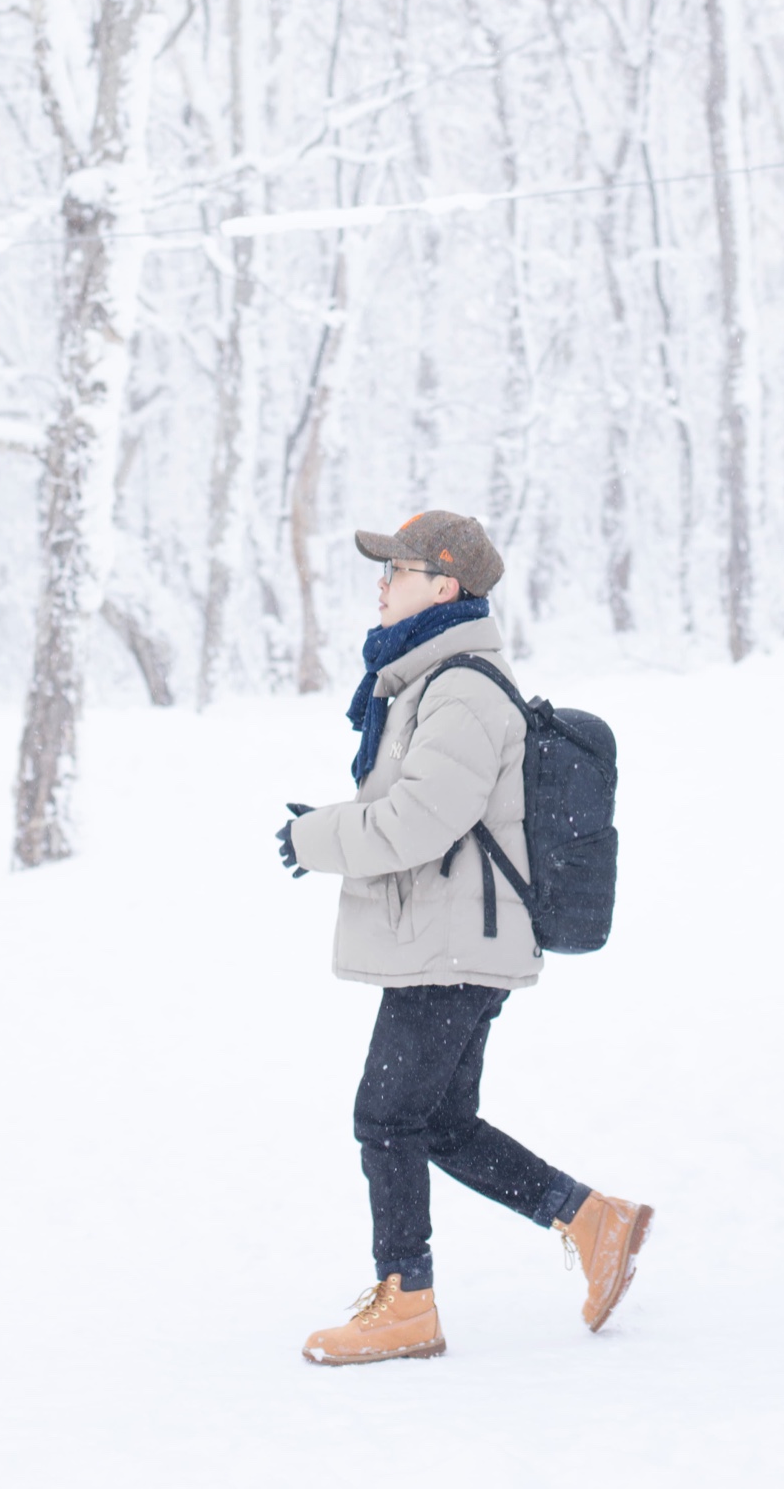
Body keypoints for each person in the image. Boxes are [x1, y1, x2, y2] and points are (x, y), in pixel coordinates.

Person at [277, 510, 654, 1367]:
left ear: (444, 585)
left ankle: (405, 1302)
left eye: (396, 570)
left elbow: (420, 820)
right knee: (438, 1121)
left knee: (385, 1117)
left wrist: (318, 838)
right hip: (450, 935)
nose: (381, 584)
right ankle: (596, 1222)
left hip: (454, 942)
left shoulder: (463, 689)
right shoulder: (428, 681)